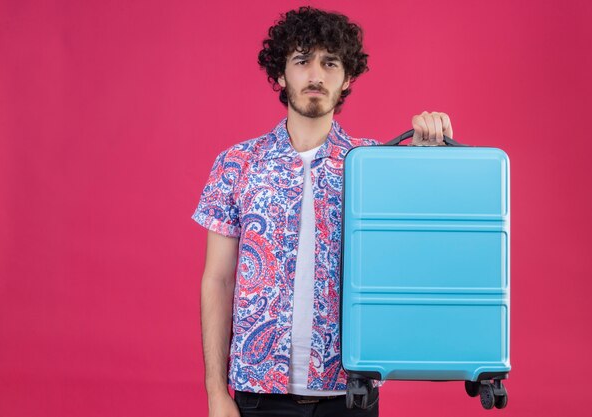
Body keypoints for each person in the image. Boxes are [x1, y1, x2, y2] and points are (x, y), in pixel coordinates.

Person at [192, 6, 453, 417]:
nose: (315, 75)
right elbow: (218, 280)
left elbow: (425, 242)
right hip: (256, 395)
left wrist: (430, 157)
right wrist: (214, 392)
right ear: (280, 74)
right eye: (302, 61)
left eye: (329, 63)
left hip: (350, 395)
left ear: (346, 78)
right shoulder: (236, 164)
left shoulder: (376, 164)